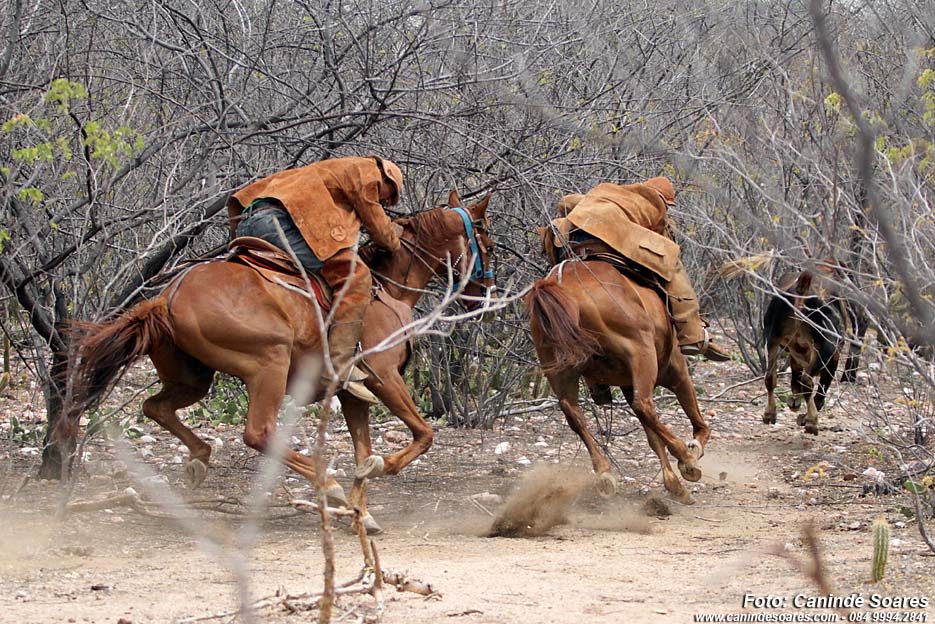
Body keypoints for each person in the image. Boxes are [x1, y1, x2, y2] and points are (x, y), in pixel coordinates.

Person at [227, 155, 405, 403]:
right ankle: (339, 365)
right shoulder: (367, 172)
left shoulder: (331, 170)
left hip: (249, 222)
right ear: (386, 176)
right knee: (356, 276)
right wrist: (395, 237)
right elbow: (381, 231)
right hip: (280, 225)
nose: (385, 200)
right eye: (389, 195)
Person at [545, 176, 731, 362]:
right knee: (671, 261)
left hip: (575, 241)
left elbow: (565, 202)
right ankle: (692, 335)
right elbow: (661, 235)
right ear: (664, 199)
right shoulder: (654, 203)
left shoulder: (612, 193)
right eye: (668, 205)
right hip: (608, 238)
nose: (666, 210)